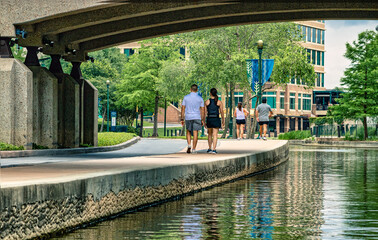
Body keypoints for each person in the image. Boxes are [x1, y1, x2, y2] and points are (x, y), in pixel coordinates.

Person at [181, 84, 205, 154]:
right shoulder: (200, 99)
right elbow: (203, 110)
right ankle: (194, 149)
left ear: (190, 89)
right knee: (195, 133)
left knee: (188, 131)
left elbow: (183, 108)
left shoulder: (186, 97)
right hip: (197, 116)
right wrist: (203, 119)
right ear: (197, 90)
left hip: (188, 116)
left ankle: (189, 145)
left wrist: (182, 118)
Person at [204, 88, 224, 154]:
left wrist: (204, 121)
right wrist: (223, 120)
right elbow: (221, 112)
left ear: (210, 93)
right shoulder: (219, 102)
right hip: (216, 119)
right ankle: (214, 149)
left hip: (209, 118)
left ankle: (209, 148)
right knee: (215, 135)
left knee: (209, 134)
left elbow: (205, 112)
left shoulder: (207, 102)